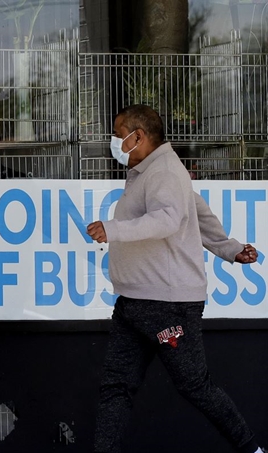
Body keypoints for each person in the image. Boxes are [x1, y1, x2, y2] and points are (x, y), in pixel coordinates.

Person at [86, 104, 263, 453]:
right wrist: (230, 248)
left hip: (168, 307)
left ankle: (252, 450)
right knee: (116, 387)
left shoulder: (165, 171)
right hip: (133, 304)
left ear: (139, 136)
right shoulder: (148, 170)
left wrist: (113, 229)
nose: (114, 142)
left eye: (119, 135)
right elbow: (195, 209)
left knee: (195, 386)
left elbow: (168, 219)